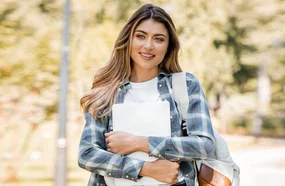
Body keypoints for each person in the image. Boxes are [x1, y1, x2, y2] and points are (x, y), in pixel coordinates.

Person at [78, 3, 216, 186]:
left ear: (169, 46)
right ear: (128, 40)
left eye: (159, 39)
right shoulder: (106, 90)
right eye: (140, 36)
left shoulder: (185, 85)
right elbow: (87, 154)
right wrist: (144, 168)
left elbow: (204, 145)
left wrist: (140, 143)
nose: (148, 45)